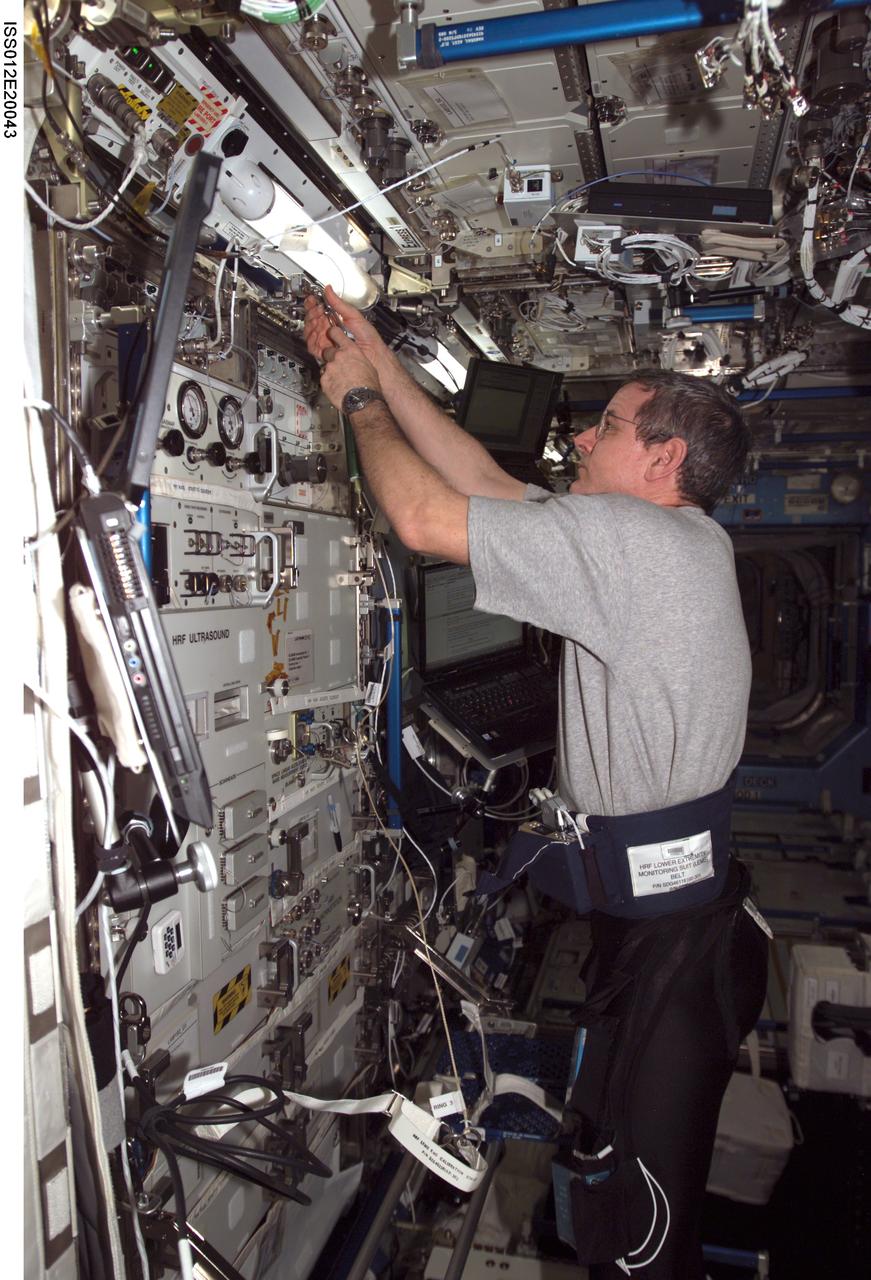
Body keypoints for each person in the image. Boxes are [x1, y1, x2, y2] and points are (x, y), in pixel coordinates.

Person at [304, 285, 769, 1279]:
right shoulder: (678, 541)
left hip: (670, 952)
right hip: (683, 927)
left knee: (634, 1235)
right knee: (627, 1187)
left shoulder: (636, 546)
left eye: (605, 426)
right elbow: (481, 474)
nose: (579, 440)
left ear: (663, 459)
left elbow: (429, 518)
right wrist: (378, 356)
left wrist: (355, 402)